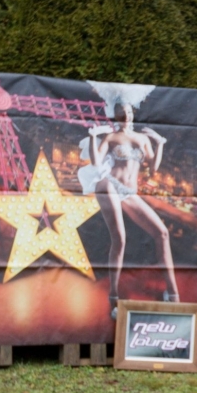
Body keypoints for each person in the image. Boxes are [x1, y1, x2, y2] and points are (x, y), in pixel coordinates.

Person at [79, 100, 179, 304]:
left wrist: (160, 144)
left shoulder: (143, 139)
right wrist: (93, 137)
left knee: (162, 233)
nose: (126, 116)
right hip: (110, 184)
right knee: (120, 238)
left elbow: (153, 169)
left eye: (129, 112)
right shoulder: (112, 137)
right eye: (121, 113)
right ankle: (113, 295)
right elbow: (97, 162)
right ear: (116, 116)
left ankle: (173, 292)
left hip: (129, 192)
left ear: (133, 114)